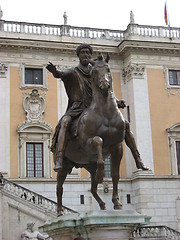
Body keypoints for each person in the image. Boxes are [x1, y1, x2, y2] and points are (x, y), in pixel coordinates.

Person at [46, 44, 148, 172]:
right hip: (78, 108)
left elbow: (104, 91)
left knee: (125, 124)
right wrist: (55, 72)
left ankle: (137, 158)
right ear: (78, 55)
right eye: (83, 53)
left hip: (97, 108)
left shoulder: (97, 72)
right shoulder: (73, 72)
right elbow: (61, 74)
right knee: (65, 122)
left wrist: (117, 102)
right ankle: (60, 157)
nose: (86, 55)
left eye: (88, 53)